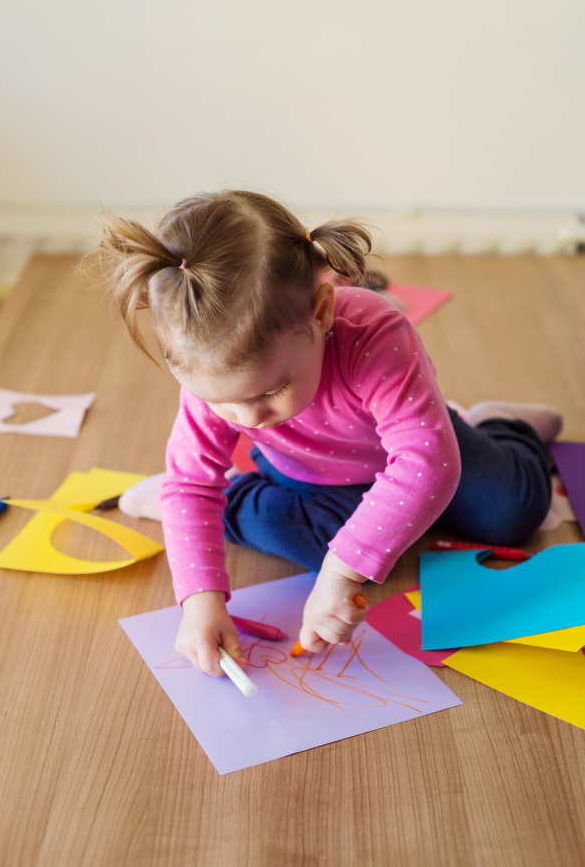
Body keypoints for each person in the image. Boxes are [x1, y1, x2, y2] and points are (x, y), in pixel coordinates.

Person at [100, 190, 560, 678]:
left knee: (514, 512)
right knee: (315, 547)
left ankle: (497, 424)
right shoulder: (210, 370)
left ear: (321, 313)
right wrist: (200, 602)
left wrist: (344, 572)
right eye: (220, 401)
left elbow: (426, 464)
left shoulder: (377, 333)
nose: (247, 420)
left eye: (272, 391)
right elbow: (194, 482)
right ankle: (224, 501)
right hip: (310, 475)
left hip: (418, 445)